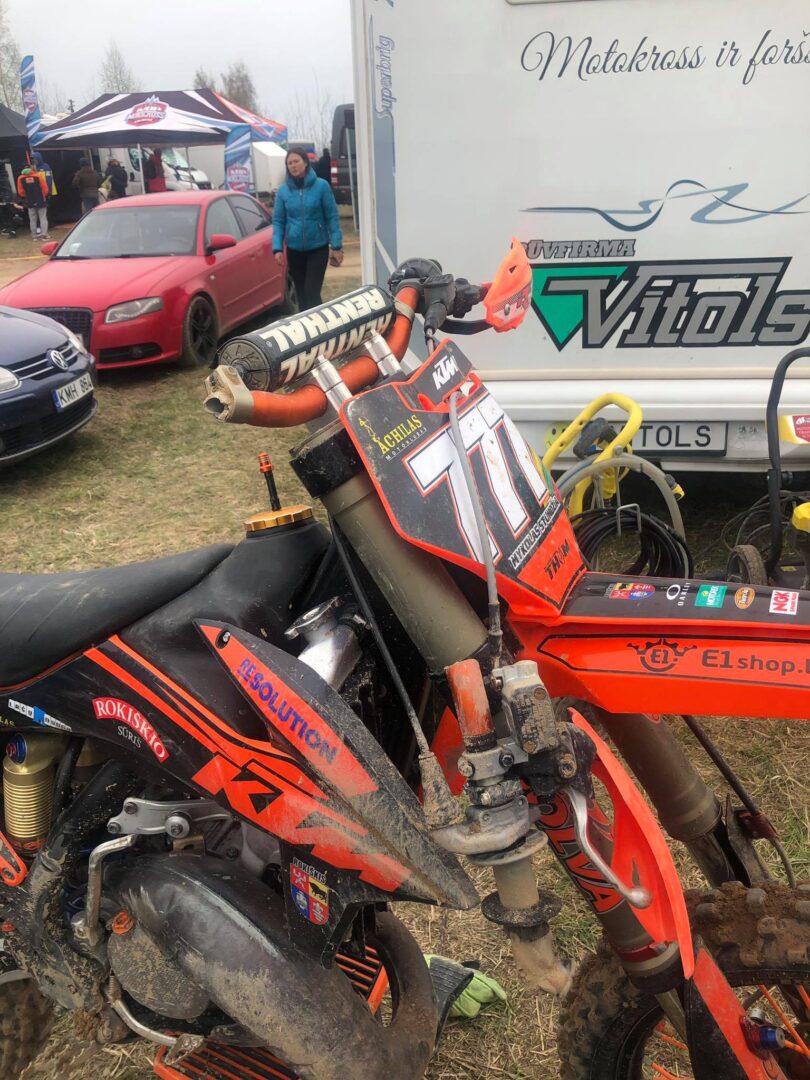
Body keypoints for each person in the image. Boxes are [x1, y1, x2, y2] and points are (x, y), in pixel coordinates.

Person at [272, 146, 343, 311]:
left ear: (305, 162)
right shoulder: (283, 191)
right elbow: (278, 221)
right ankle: (307, 325)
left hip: (317, 248)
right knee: (301, 295)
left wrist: (336, 246)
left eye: (296, 161)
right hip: (294, 250)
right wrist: (277, 248)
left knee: (312, 291)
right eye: (289, 163)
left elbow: (332, 217)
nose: (293, 165)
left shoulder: (321, 186)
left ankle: (321, 324)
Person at [16, 165, 50, 240]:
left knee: (32, 219)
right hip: (40, 200)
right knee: (43, 218)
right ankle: (44, 235)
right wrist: (43, 196)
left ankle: (34, 236)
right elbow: (45, 189)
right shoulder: (38, 176)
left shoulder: (20, 178)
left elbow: (20, 192)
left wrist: (27, 196)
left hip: (29, 201)